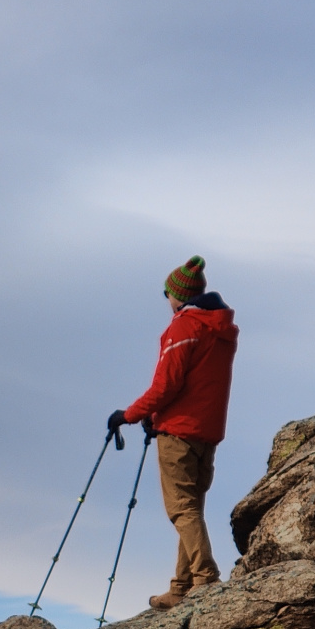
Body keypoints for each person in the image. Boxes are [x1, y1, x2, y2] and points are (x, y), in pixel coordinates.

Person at [107, 255, 239, 611]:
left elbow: (167, 384)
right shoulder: (220, 330)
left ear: (176, 295)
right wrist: (152, 414)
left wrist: (130, 415)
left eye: (167, 293)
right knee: (192, 507)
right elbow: (195, 383)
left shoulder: (184, 327)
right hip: (207, 432)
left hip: (179, 431)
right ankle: (181, 587)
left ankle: (205, 579)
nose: (167, 300)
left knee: (181, 509)